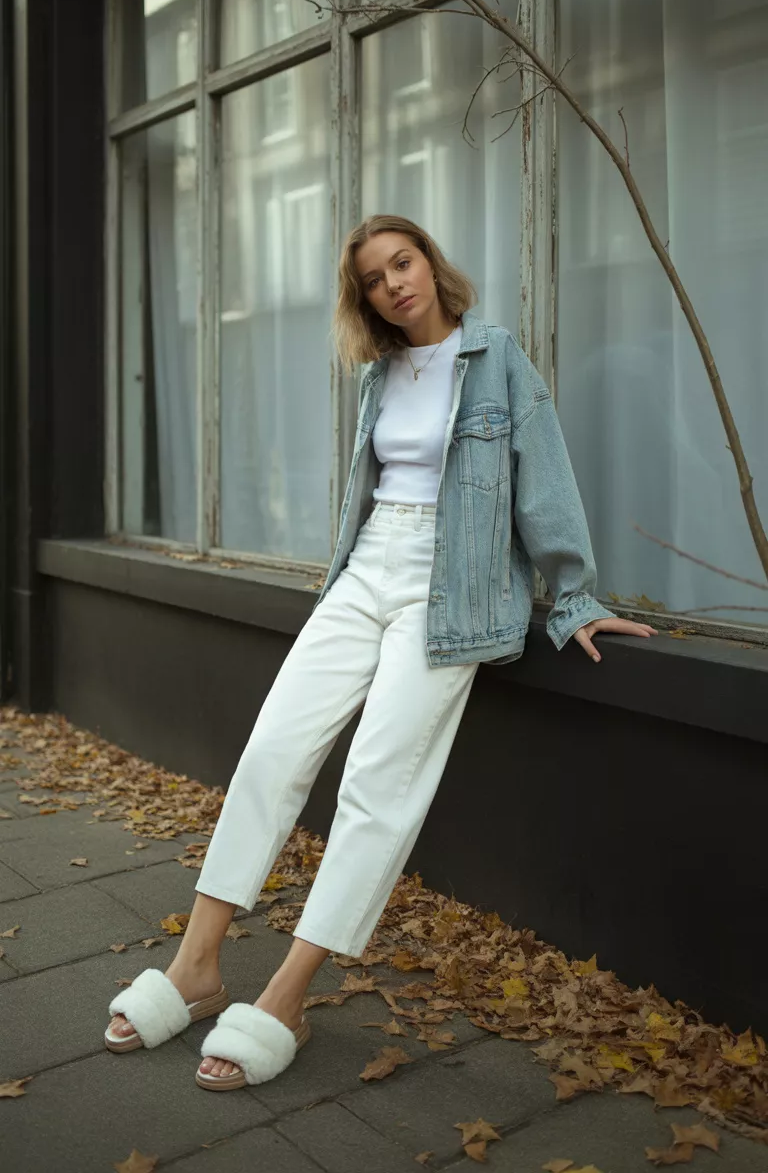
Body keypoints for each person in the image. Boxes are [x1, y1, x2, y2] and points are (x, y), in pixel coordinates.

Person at [104, 214, 657, 1090]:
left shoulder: (499, 357)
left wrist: (574, 596)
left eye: (404, 262)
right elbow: (370, 489)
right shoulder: (379, 375)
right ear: (362, 296)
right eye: (374, 276)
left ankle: (287, 995)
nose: (395, 282)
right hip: (364, 573)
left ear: (431, 266)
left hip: (451, 588)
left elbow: (543, 477)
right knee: (271, 751)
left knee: (376, 786)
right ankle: (197, 968)